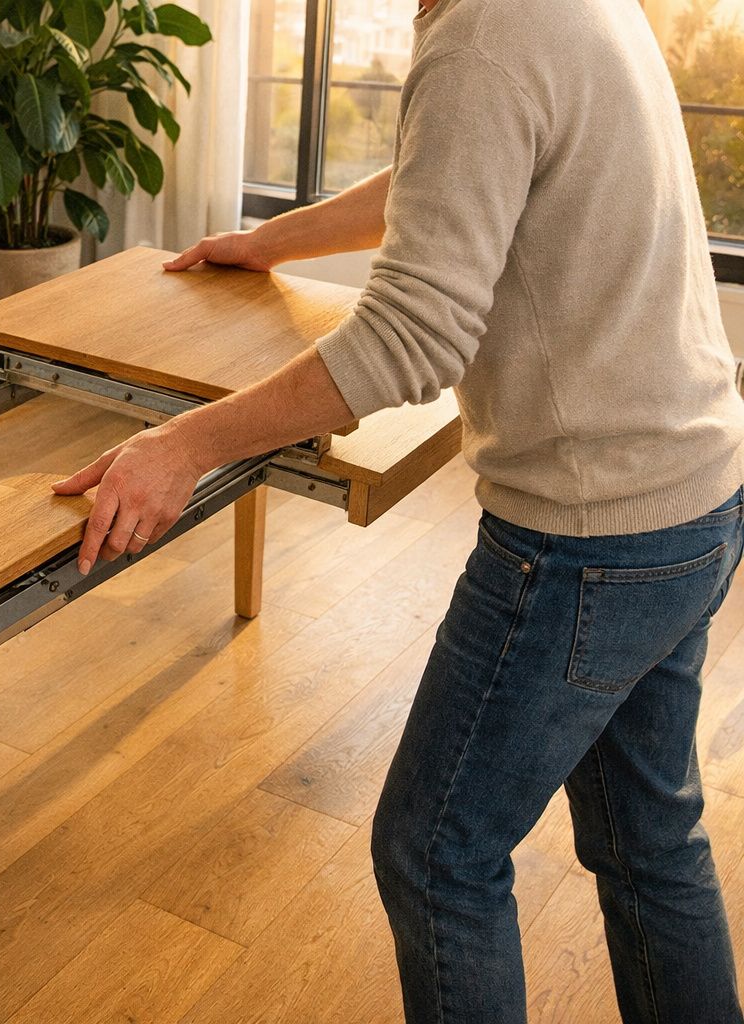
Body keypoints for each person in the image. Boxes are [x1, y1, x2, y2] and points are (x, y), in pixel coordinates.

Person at [52, 0, 744, 1020]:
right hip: (692, 501)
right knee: (650, 842)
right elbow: (456, 169)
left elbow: (414, 337)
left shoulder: (478, 38)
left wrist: (183, 444)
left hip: (588, 540)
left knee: (435, 855)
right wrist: (274, 239)